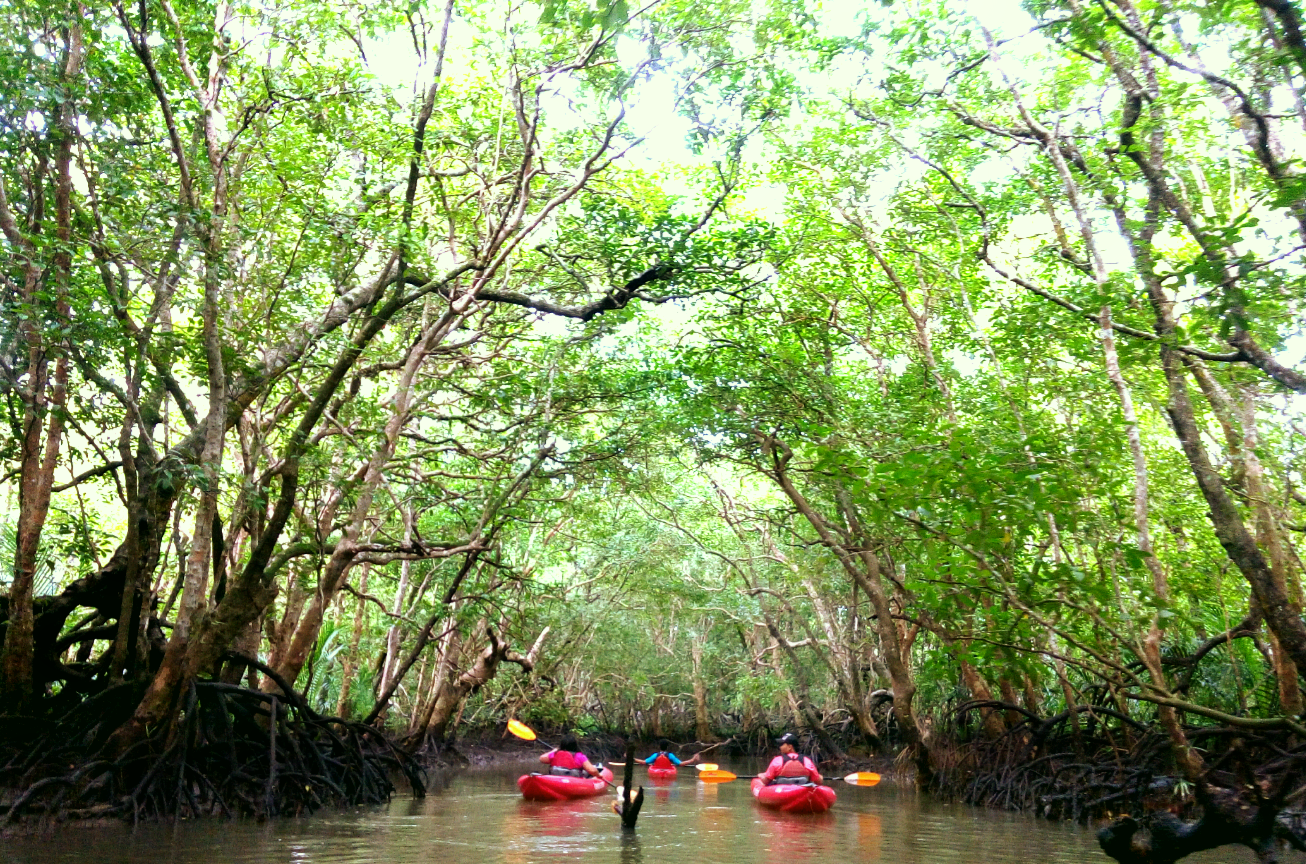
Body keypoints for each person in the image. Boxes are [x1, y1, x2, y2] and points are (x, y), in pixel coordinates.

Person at [637, 738, 702, 768]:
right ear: (667, 747)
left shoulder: (655, 755)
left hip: (656, 772)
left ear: (659, 747)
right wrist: (693, 760)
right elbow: (681, 764)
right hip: (668, 772)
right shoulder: (670, 755)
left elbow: (643, 762)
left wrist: (632, 758)